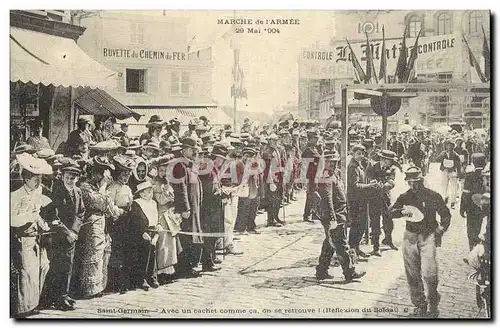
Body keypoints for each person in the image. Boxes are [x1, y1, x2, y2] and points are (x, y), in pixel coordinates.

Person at [389, 166, 451, 318]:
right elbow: (390, 212)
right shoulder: (405, 196)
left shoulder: (433, 195)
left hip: (428, 236)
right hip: (410, 236)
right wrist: (400, 212)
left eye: (416, 181)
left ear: (421, 180)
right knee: (412, 273)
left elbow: (445, 214)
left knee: (430, 273)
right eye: (410, 182)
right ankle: (419, 304)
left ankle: (433, 300)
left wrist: (441, 229)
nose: (413, 185)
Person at [73, 156, 122, 299]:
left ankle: (98, 286)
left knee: (101, 253)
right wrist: (103, 189)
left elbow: (107, 206)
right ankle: (89, 288)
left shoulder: (96, 187)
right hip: (91, 222)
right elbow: (98, 203)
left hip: (101, 221)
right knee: (93, 252)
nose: (101, 176)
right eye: (99, 173)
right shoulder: (85, 187)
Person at [10, 154, 53, 317]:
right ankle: (24, 307)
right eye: (35, 178)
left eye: (40, 178)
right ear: (26, 178)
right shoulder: (15, 196)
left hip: (37, 238)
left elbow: (37, 213)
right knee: (26, 273)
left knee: (43, 267)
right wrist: (28, 217)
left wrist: (43, 224)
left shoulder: (38, 191)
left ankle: (34, 302)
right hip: (23, 239)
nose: (38, 181)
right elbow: (11, 219)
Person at [315, 150, 366, 282]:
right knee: (342, 245)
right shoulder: (325, 177)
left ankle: (321, 270)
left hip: (340, 215)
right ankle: (350, 272)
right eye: (330, 162)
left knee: (329, 244)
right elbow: (327, 200)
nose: (333, 164)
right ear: (324, 163)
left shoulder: (333, 175)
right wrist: (332, 219)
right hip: (335, 217)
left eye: (335, 162)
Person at [42, 160, 85, 311]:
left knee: (68, 266)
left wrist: (74, 231)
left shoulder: (78, 191)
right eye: (67, 177)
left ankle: (64, 295)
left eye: (73, 178)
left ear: (77, 178)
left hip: (72, 235)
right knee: (58, 266)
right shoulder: (57, 191)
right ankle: (56, 298)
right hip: (59, 235)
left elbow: (81, 212)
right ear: (63, 176)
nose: (70, 180)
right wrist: (67, 232)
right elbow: (53, 216)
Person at [171, 136, 204, 278]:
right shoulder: (180, 166)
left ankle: (191, 265)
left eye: (196, 150)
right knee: (186, 238)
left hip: (194, 206)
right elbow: (181, 187)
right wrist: (185, 208)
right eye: (192, 150)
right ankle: (184, 269)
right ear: (184, 150)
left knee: (193, 237)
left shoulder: (191, 164)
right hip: (187, 209)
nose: (195, 152)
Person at [106, 155, 135, 293]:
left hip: (126, 222)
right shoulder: (113, 187)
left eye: (128, 174)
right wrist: (120, 212)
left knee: (125, 251)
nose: (126, 176)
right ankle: (114, 283)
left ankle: (124, 282)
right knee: (116, 252)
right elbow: (110, 206)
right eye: (124, 173)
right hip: (116, 223)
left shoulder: (127, 188)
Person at [152, 155, 180, 284]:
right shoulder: (155, 183)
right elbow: (161, 200)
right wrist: (168, 194)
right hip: (161, 215)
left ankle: (169, 271)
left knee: (171, 244)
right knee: (162, 244)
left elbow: (173, 198)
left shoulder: (167, 183)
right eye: (161, 170)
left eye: (165, 170)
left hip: (169, 215)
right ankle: (161, 272)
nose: (163, 173)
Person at [129, 180, 161, 291]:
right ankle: (141, 279)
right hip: (142, 232)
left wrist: (157, 227)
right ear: (141, 193)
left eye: (150, 191)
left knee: (153, 254)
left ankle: (152, 277)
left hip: (152, 230)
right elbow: (135, 220)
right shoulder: (137, 203)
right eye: (145, 192)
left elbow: (156, 216)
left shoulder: (153, 203)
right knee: (143, 256)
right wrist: (142, 232)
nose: (148, 194)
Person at [366, 150, 398, 256]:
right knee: (375, 222)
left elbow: (392, 181)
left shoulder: (392, 169)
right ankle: (376, 247)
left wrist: (386, 185)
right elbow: (368, 178)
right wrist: (374, 184)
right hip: (374, 198)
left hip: (385, 197)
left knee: (388, 220)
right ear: (383, 160)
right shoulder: (372, 167)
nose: (391, 163)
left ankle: (388, 240)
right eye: (390, 161)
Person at [460, 153, 487, 250]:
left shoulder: (470, 176)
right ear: (484, 162)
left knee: (471, 228)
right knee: (479, 227)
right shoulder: (486, 176)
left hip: (471, 207)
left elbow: (465, 194)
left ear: (473, 163)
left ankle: (473, 249)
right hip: (483, 206)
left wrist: (462, 208)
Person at [301, 129, 322, 223]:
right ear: (310, 139)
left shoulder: (315, 148)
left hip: (316, 175)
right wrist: (304, 179)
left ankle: (311, 213)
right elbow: (304, 166)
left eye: (317, 138)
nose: (317, 140)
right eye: (315, 138)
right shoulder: (308, 151)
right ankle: (307, 215)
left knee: (312, 195)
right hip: (310, 176)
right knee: (311, 195)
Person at [435, 139, 461, 209]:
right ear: (446, 146)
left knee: (454, 187)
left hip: (452, 171)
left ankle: (453, 202)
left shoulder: (455, 155)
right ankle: (445, 198)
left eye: (451, 145)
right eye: (448, 145)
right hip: (444, 171)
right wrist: (441, 156)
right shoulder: (443, 153)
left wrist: (459, 173)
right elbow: (436, 160)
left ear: (453, 146)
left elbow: (459, 165)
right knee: (444, 186)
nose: (449, 147)